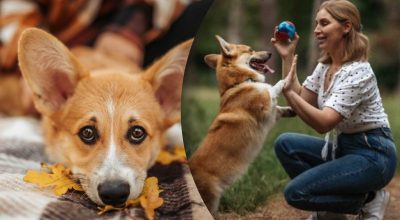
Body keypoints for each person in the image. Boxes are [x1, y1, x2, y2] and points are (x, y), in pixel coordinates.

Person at [272, 0, 397, 219]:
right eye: (316, 23)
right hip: (344, 149)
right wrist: (287, 56)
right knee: (285, 143)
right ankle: (331, 212)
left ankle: (368, 199)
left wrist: (287, 92)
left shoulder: (359, 72)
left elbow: (323, 123)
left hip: (374, 155)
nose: (316, 30)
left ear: (346, 27)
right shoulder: (326, 66)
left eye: (324, 23)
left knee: (296, 193)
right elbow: (302, 98)